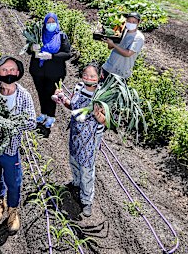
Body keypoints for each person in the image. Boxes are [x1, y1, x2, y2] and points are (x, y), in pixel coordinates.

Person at [0, 56, 36, 233]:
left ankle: (13, 211)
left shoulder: (24, 95)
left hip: (10, 149)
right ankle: (0, 203)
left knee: (13, 183)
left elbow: (31, 122)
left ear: (18, 73)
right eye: (5, 69)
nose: (8, 73)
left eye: (12, 69)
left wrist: (11, 123)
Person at [54, 63, 106, 217]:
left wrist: (99, 116)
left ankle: (86, 200)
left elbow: (106, 121)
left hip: (90, 137)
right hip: (76, 132)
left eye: (92, 76)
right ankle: (76, 184)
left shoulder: (101, 96)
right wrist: (62, 99)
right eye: (86, 75)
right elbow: (73, 106)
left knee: (87, 168)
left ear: (99, 77)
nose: (88, 78)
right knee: (74, 160)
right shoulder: (78, 88)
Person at [27, 12, 72, 129]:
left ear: (56, 23)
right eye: (48, 22)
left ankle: (51, 116)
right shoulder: (39, 35)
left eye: (53, 22)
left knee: (51, 94)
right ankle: (43, 114)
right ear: (45, 23)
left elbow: (67, 54)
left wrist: (52, 56)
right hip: (38, 71)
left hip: (55, 73)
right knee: (41, 93)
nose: (50, 24)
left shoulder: (61, 36)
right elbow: (29, 51)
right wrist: (32, 48)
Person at [101, 12, 145, 82]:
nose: (131, 23)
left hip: (121, 73)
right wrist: (109, 40)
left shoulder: (139, 37)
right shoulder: (122, 31)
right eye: (129, 21)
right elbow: (110, 47)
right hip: (108, 67)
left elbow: (128, 54)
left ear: (138, 23)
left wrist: (113, 44)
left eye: (134, 22)